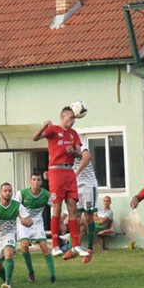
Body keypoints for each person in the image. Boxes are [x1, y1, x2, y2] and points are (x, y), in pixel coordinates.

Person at [32, 106, 90, 258]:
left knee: (73, 206)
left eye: (74, 118)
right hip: (56, 171)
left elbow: (79, 154)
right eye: (71, 118)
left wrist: (74, 152)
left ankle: (76, 244)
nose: (73, 121)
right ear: (63, 117)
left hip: (69, 171)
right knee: (56, 207)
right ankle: (56, 245)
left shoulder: (73, 134)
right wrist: (43, 127)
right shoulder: (54, 130)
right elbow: (35, 138)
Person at [0, 182, 34, 288]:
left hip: (9, 233)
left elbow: (30, 220)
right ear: (1, 192)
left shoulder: (17, 205)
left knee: (9, 254)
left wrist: (26, 222)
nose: (8, 193)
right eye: (5, 191)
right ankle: (5, 278)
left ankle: (7, 283)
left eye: (10, 191)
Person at [14, 171, 57, 284]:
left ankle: (53, 276)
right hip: (23, 223)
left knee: (44, 247)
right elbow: (14, 208)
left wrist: (60, 220)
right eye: (34, 179)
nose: (36, 182)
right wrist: (22, 218)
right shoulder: (22, 193)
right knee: (24, 246)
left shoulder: (45, 194)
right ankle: (31, 273)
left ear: (41, 182)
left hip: (37, 223)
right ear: (30, 181)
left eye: (38, 180)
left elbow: (56, 205)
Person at [70, 137, 97, 263]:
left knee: (88, 217)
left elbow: (87, 157)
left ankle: (90, 249)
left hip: (88, 185)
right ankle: (74, 248)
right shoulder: (64, 149)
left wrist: (76, 173)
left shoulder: (81, 144)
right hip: (76, 186)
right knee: (75, 216)